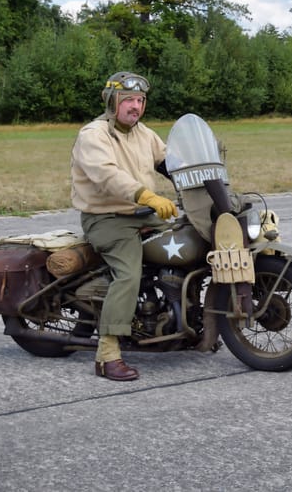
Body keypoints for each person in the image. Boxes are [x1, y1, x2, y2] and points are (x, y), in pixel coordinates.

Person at [71, 72, 178, 381]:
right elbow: (106, 175)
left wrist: (202, 176)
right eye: (128, 100)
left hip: (141, 212)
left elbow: (170, 161)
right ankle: (107, 354)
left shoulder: (143, 133)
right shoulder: (94, 135)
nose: (135, 106)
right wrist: (146, 194)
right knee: (129, 272)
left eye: (140, 100)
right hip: (106, 217)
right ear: (112, 102)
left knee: (190, 237)